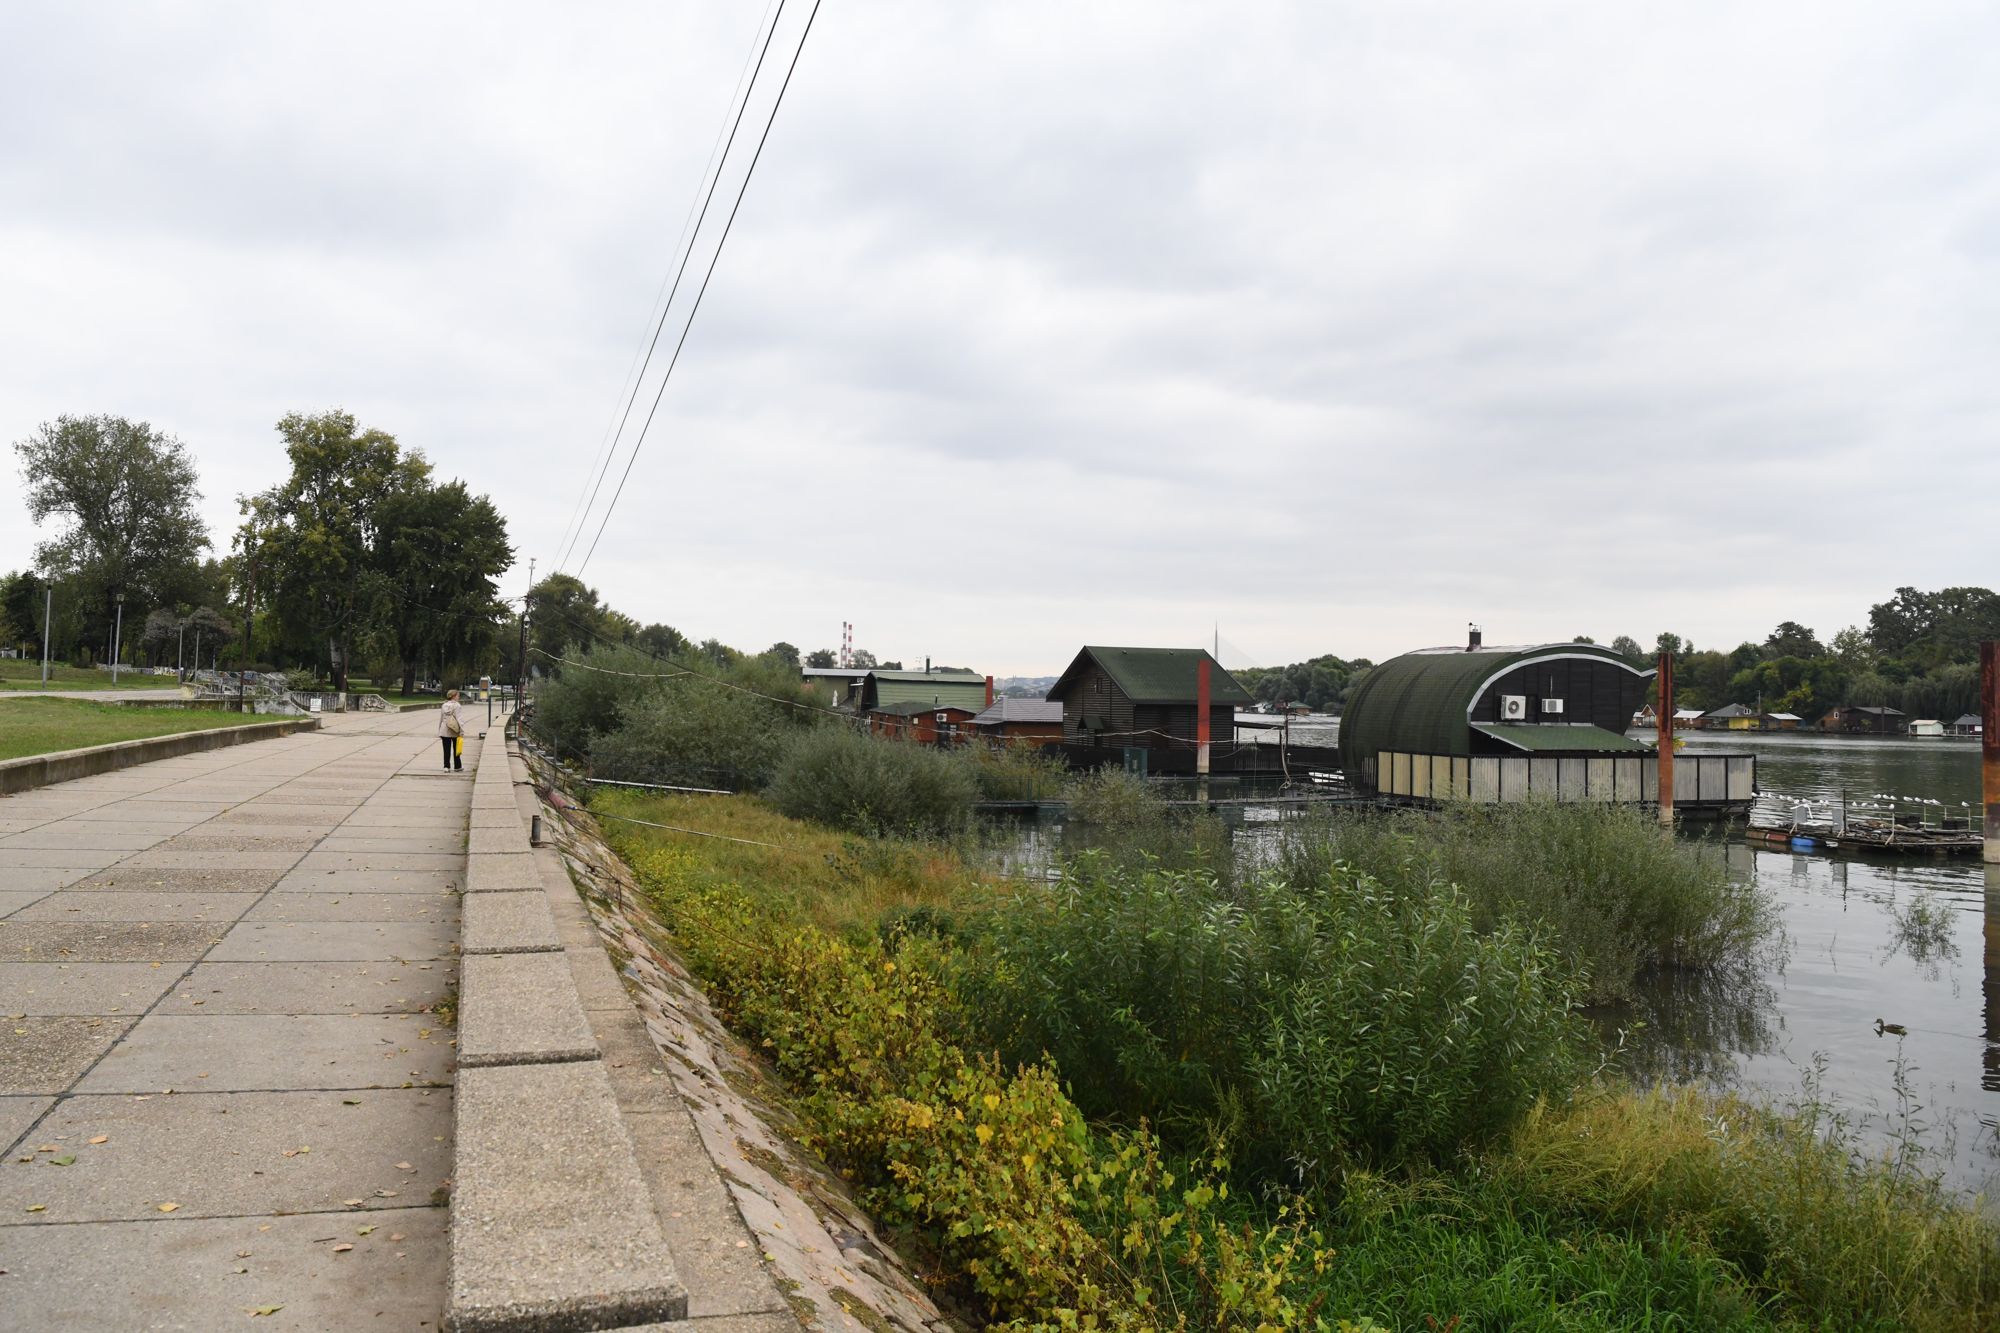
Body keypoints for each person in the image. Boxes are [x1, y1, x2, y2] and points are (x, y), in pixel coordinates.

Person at [439, 690, 464, 771]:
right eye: (458, 696)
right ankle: (457, 766)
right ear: (453, 696)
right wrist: (462, 730)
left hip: (444, 729)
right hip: (454, 730)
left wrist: (439, 730)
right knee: (457, 749)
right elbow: (459, 719)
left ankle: (446, 766)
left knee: (446, 750)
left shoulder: (444, 705)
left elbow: (441, 718)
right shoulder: (457, 705)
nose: (458, 697)